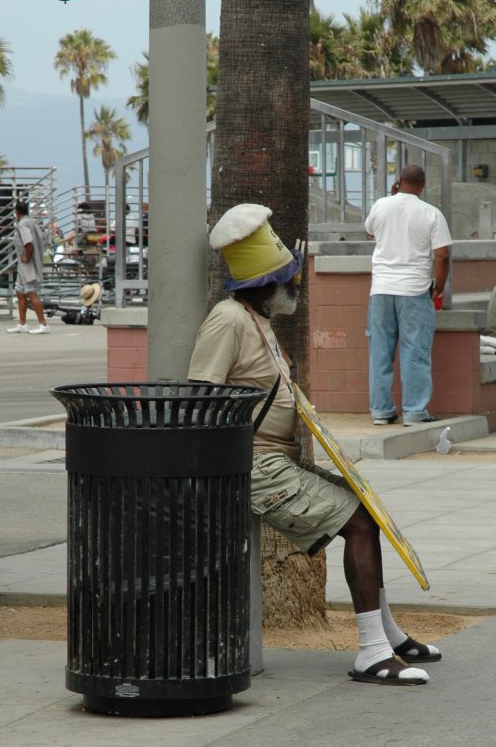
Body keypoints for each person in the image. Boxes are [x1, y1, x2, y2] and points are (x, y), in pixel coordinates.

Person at [188, 203, 441, 686]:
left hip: (276, 460)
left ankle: (387, 636)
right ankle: (371, 652)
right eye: (290, 280)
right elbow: (203, 398)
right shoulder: (227, 321)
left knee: (369, 514)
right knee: (360, 526)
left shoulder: (256, 318)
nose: (296, 288)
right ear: (266, 283)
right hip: (257, 466)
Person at [365, 165, 452, 426]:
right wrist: (440, 286)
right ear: (423, 184)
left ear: (399, 181)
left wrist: (392, 193)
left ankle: (381, 411)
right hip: (414, 290)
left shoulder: (380, 205)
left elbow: (370, 231)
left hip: (380, 290)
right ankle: (414, 412)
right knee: (415, 351)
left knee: (380, 351)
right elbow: (443, 255)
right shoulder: (431, 213)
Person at [6, 200, 50, 335]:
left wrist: (27, 256)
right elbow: (43, 239)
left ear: (17, 212)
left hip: (28, 264)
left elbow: (28, 242)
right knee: (20, 292)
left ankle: (43, 324)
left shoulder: (23, 224)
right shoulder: (32, 222)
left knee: (31, 293)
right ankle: (22, 323)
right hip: (24, 265)